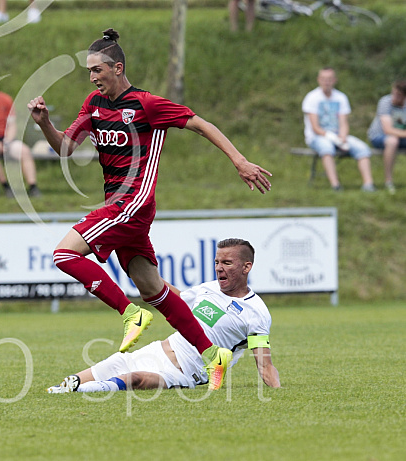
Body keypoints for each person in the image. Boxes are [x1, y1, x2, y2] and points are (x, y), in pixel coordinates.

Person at [28, 29, 272, 390]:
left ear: (118, 67)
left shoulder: (146, 104)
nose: (93, 77)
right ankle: (210, 353)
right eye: (89, 72)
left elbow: (201, 125)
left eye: (97, 70)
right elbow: (65, 148)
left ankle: (130, 314)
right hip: (117, 203)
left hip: (134, 201)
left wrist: (239, 160)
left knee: (64, 254)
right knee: (153, 288)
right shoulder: (93, 104)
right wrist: (45, 123)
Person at [48, 238, 281, 393]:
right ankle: (64, 389)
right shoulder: (207, 288)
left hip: (185, 372)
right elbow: (176, 300)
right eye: (217, 262)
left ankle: (78, 391)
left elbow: (265, 364)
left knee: (135, 379)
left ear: (246, 267)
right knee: (103, 368)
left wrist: (277, 393)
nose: (219, 268)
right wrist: (146, 279)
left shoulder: (256, 312)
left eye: (227, 263)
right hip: (158, 349)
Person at [302, 67, 375, 192]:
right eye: (324, 79)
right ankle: (335, 185)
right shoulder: (312, 98)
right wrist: (331, 137)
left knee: (362, 148)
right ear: (319, 80)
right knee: (326, 148)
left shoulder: (341, 97)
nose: (327, 82)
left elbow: (343, 122)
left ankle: (368, 184)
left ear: (334, 80)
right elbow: (315, 127)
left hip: (338, 136)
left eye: (329, 79)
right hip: (318, 137)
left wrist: (342, 137)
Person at [367, 80, 406, 194]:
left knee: (395, 139)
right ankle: (388, 181)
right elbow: (388, 130)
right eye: (393, 93)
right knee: (392, 141)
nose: (394, 97)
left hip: (401, 137)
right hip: (379, 137)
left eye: (398, 95)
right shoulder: (385, 102)